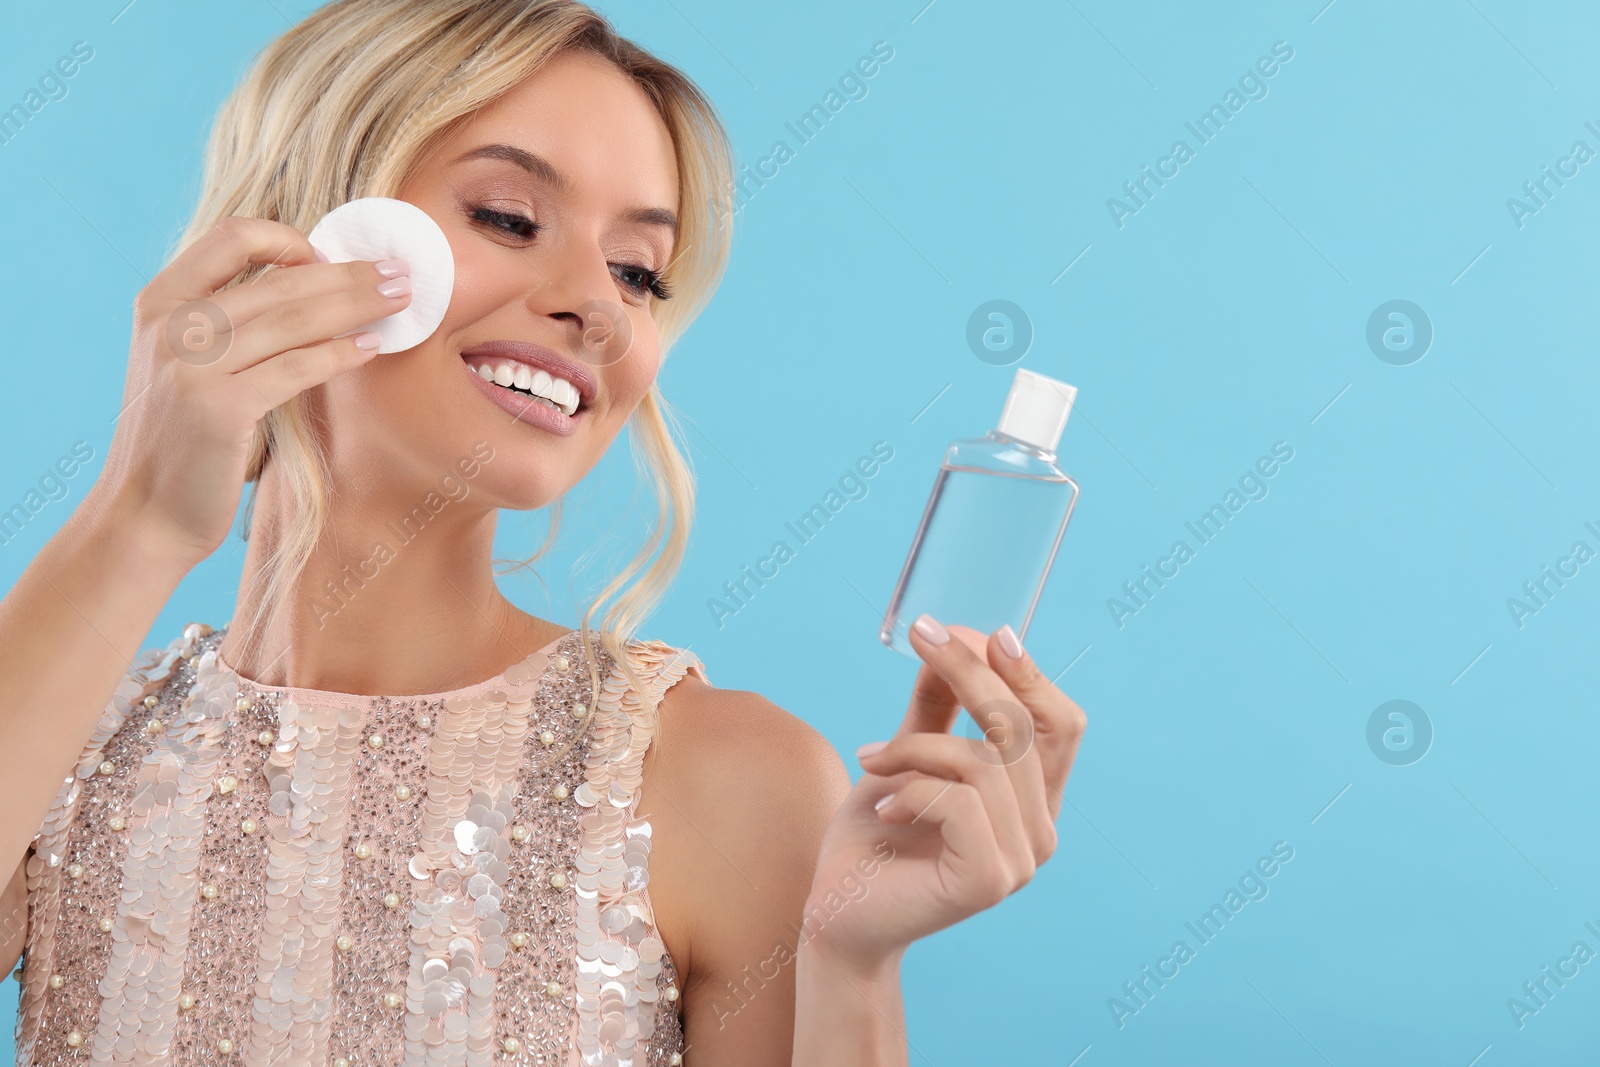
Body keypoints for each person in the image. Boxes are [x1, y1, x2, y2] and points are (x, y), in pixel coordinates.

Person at [0, 2, 1086, 1063]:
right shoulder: (69, 733)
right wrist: (135, 522)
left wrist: (849, 967)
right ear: (313, 235)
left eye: (637, 272)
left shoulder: (726, 779)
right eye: (511, 218)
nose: (599, 310)